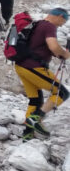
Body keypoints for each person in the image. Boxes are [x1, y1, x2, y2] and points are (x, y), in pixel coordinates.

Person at [13, 8, 69, 141]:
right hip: (34, 68)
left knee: (36, 99)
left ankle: (27, 134)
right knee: (62, 93)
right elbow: (54, 47)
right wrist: (65, 54)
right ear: (60, 16)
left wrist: (58, 54)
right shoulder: (49, 26)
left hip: (21, 66)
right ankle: (36, 118)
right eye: (63, 21)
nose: (61, 25)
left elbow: (40, 47)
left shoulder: (37, 24)